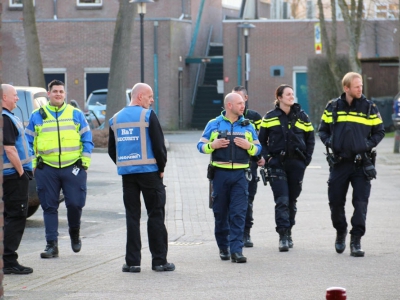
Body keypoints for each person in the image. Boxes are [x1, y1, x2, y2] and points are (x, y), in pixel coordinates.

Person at [108, 83, 175, 273]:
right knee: (155, 215)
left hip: (128, 176)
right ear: (139, 97)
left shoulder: (115, 119)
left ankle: (132, 263)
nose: (152, 100)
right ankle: (159, 261)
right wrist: (161, 167)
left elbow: (112, 150)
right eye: (150, 96)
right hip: (150, 174)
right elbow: (159, 144)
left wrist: (125, 163)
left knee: (132, 217)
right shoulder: (147, 115)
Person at [318, 72, 385, 257]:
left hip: (361, 164)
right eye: (357, 86)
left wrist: (367, 145)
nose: (360, 89)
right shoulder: (332, 107)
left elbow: (379, 131)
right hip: (339, 163)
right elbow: (322, 130)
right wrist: (331, 142)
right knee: (335, 202)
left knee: (361, 204)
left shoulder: (369, 107)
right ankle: (341, 231)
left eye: (361, 85)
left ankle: (356, 240)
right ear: (346, 88)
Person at [25, 79, 93, 258]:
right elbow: (28, 142)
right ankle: (51, 245)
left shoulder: (75, 114)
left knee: (75, 204)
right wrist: (34, 165)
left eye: (61, 92)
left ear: (65, 94)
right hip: (47, 168)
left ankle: (74, 233)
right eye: (55, 91)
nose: (58, 94)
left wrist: (84, 164)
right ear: (49, 94)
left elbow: (87, 139)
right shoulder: (37, 115)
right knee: (49, 207)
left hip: (73, 168)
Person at [197, 93, 261, 263]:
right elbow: (200, 146)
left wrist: (249, 147)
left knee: (239, 213)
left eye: (243, 103)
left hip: (241, 176)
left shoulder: (248, 126)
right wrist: (213, 145)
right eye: (240, 103)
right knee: (221, 213)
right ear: (229, 105)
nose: (243, 106)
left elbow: (258, 149)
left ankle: (236, 251)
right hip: (219, 175)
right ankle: (223, 247)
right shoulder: (214, 124)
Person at [258, 84, 315, 252]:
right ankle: (283, 236)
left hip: (297, 165)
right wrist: (268, 158)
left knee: (291, 201)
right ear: (280, 97)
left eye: (292, 94)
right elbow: (261, 141)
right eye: (288, 94)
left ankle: (289, 231)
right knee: (282, 200)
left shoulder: (303, 117)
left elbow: (311, 139)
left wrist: (307, 160)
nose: (291, 97)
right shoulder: (269, 117)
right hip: (277, 164)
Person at [2, 84, 34, 274]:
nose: (17, 99)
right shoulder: (5, 119)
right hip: (13, 177)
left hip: (9, 176)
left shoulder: (7, 118)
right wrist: (22, 172)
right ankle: (9, 261)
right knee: (16, 216)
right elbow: (10, 149)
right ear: (4, 97)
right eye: (14, 95)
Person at [232, 86, 265, 247]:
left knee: (247, 200)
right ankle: (233, 234)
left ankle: (246, 233)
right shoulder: (223, 118)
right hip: (229, 166)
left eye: (239, 98)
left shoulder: (254, 118)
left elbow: (259, 141)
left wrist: (259, 157)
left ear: (246, 99)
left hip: (249, 165)